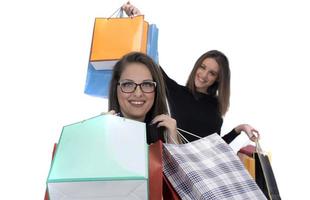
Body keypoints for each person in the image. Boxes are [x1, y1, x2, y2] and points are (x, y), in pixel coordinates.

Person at [122, 2, 259, 143]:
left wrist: (239, 129)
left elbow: (216, 147)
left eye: (212, 73)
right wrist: (140, 22)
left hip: (203, 164)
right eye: (202, 67)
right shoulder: (178, 93)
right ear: (196, 67)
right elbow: (152, 60)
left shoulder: (217, 106)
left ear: (218, 79)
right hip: (178, 161)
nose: (204, 75)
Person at [108, 51, 179, 144]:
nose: (138, 93)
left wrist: (174, 144)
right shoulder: (101, 134)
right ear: (115, 88)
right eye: (128, 84)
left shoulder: (167, 133)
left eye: (147, 84)